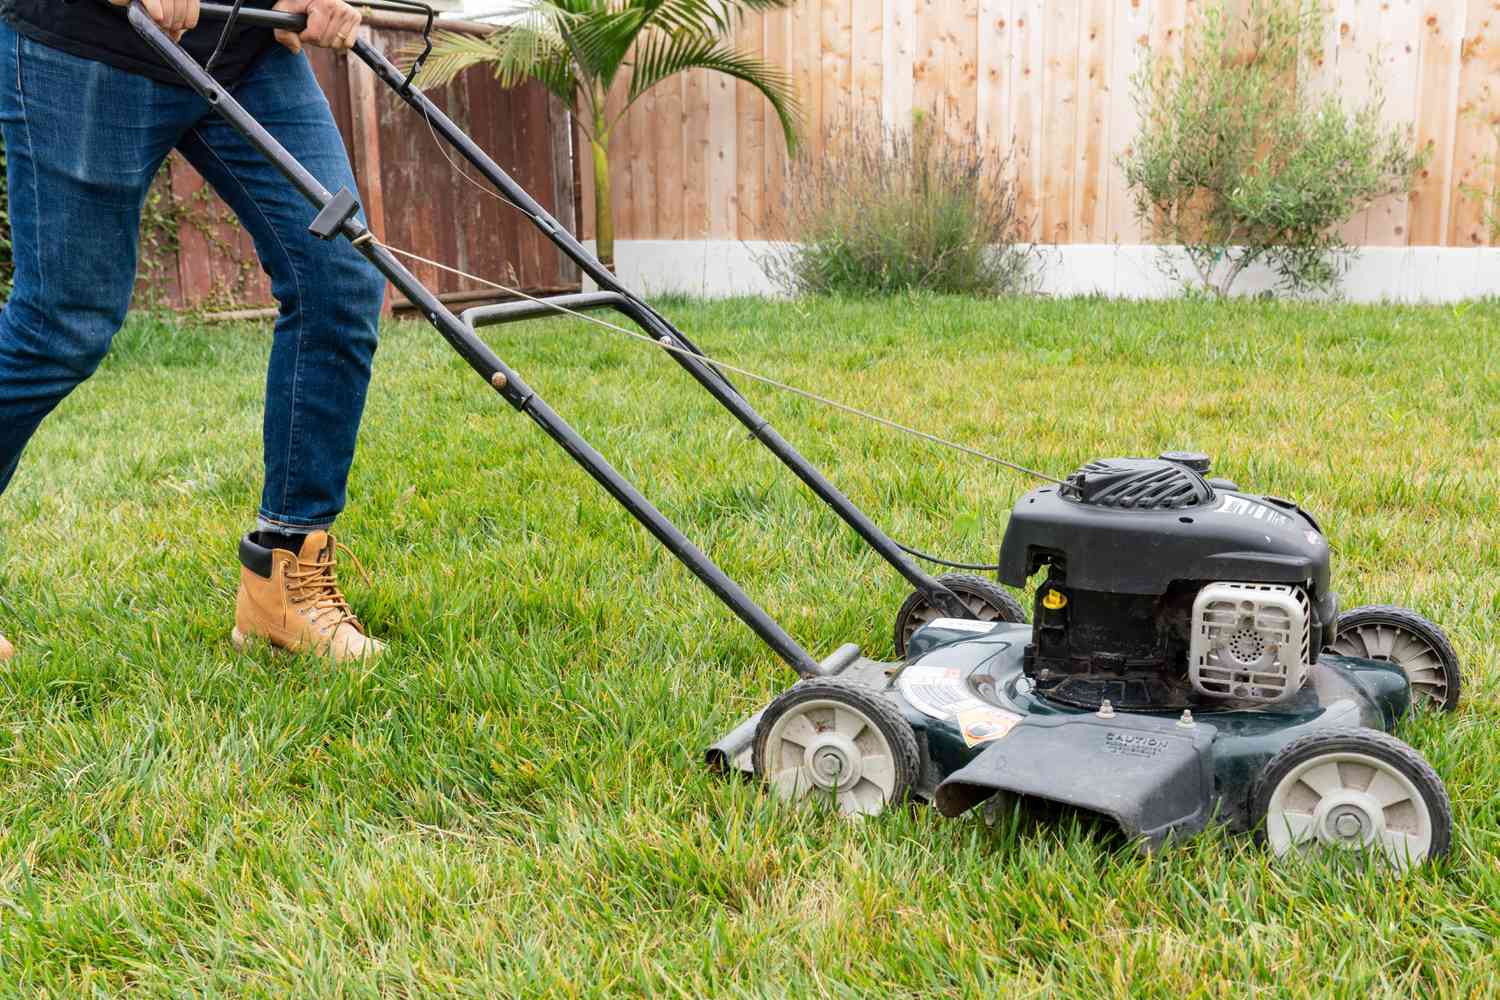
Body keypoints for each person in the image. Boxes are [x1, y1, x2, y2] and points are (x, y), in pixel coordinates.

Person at [0, 0, 388, 663]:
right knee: (61, 326)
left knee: (339, 276)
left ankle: (283, 586)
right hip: (87, 42)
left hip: (244, 45)